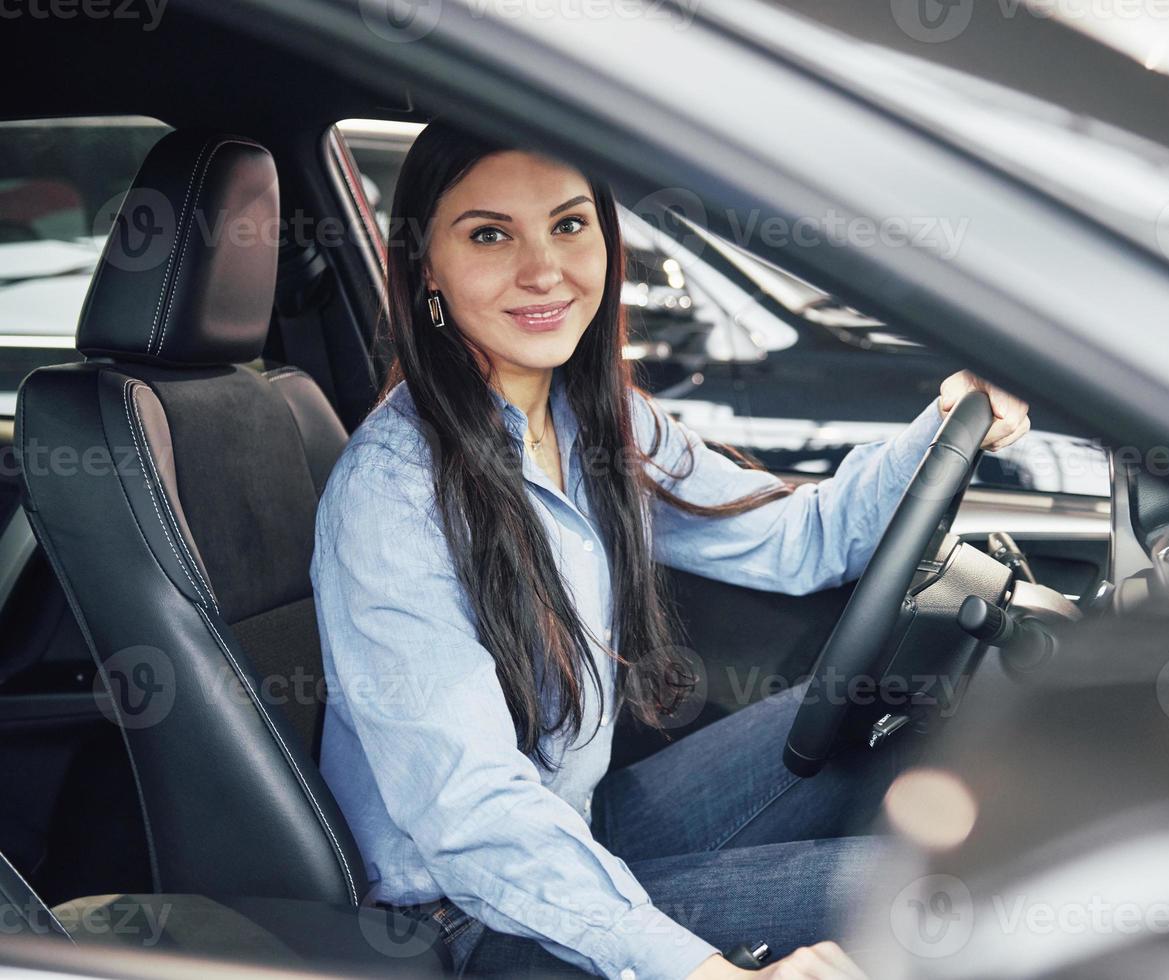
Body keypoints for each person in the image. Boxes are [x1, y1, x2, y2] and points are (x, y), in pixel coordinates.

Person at [310, 118, 1030, 980]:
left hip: (578, 823)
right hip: (468, 912)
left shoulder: (598, 422)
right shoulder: (391, 495)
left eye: (569, 225)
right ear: (425, 266)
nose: (543, 269)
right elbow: (469, 812)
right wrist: (698, 971)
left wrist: (947, 424)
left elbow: (798, 541)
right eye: (490, 234)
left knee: (891, 721)